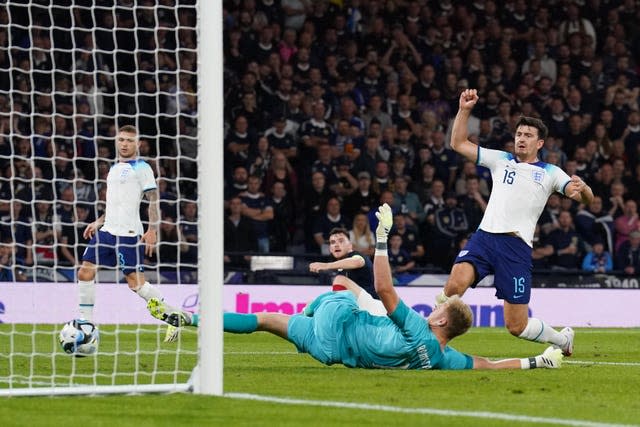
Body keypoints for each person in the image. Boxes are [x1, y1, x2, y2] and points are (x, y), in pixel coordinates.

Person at [147, 204, 564, 371]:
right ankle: (190, 319)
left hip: (336, 324)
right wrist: (536, 362)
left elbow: (384, 289)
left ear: (439, 316)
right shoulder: (440, 358)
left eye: (436, 308)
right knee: (270, 320)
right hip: (332, 353)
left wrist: (382, 237)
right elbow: (488, 366)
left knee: (340, 289)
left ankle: (189, 317)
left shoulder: (419, 329)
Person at [438, 89, 594, 355]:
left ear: (540, 143)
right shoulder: (501, 160)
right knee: (454, 285)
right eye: (519, 134)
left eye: (528, 135)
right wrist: (464, 110)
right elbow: (458, 144)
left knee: (516, 325)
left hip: (515, 247)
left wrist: (586, 188)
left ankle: (561, 340)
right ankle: (429, 338)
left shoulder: (550, 173)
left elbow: (584, 199)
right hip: (484, 238)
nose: (521, 139)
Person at [77, 125, 166, 323]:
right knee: (85, 271)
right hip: (107, 231)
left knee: (136, 285)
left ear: (138, 144)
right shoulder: (114, 169)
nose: (124, 144)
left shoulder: (142, 168)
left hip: (128, 233)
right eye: (121, 140)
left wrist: (152, 230)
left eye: (129, 140)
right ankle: (86, 323)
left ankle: (171, 315)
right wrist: (99, 222)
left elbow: (153, 199)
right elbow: (114, 203)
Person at [308, 227, 376, 300]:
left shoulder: (356, 255)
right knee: (312, 302)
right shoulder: (339, 266)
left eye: (341, 241)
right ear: (330, 249)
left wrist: (326, 265)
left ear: (350, 245)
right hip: (354, 305)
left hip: (371, 303)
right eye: (333, 242)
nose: (336, 245)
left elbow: (358, 261)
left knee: (340, 280)